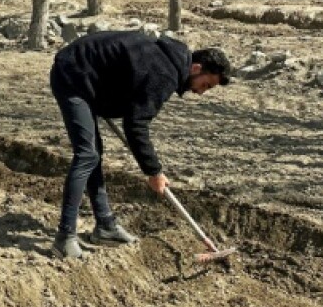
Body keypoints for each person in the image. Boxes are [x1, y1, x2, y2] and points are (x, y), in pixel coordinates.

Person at [49, 30, 232, 259]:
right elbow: (136, 125)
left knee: (94, 153)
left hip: (87, 75)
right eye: (206, 85)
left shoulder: (166, 62)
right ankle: (64, 239)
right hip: (72, 75)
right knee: (87, 155)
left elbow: (131, 101)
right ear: (196, 68)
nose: (200, 92)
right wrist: (154, 171)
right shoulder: (164, 73)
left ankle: (105, 226)